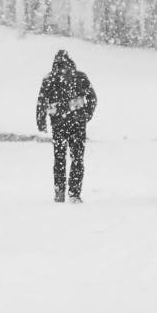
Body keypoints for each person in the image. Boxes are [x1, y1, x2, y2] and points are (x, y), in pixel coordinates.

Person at [36, 50, 97, 203]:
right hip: (78, 123)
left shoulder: (49, 79)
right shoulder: (80, 77)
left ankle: (59, 191)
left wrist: (41, 121)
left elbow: (41, 101)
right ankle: (74, 194)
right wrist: (86, 115)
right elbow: (92, 98)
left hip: (58, 124)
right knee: (77, 158)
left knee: (59, 158)